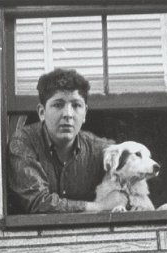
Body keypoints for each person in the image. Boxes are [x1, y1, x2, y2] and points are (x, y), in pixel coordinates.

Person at [8, 68, 111, 214]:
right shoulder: (23, 142)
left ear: (85, 113)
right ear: (42, 112)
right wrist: (99, 207)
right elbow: (38, 201)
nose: (68, 114)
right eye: (58, 105)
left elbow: (130, 163)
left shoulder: (97, 148)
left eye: (76, 105)